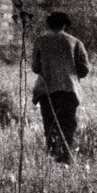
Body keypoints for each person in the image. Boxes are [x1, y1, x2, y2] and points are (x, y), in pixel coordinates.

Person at [31, 11, 89, 163]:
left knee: (50, 126)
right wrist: (71, 73)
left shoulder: (40, 41)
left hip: (46, 91)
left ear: (49, 24)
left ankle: (52, 158)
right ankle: (65, 159)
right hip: (68, 90)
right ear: (65, 25)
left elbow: (35, 68)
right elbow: (84, 69)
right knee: (67, 127)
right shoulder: (75, 42)